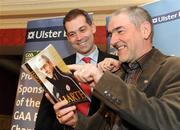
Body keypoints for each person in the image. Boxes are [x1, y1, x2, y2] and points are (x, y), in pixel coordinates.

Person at [51, 6, 180, 130]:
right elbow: (101, 126)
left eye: (120, 31)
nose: (112, 41)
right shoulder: (118, 73)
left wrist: (103, 80)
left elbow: (169, 122)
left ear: (145, 30)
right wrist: (75, 121)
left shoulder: (173, 68)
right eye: (111, 34)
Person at [35, 8, 118, 130]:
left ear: (93, 28)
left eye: (82, 30)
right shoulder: (58, 66)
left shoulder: (115, 64)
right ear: (68, 38)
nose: (79, 37)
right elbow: (45, 116)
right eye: (72, 34)